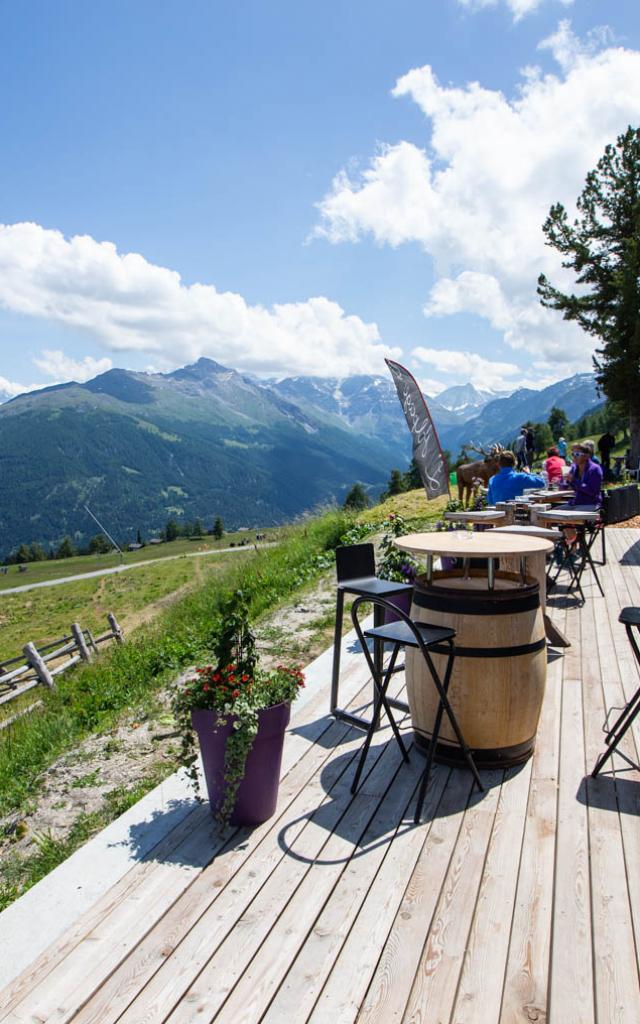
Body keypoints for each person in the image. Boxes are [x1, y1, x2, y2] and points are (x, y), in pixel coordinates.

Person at [564, 443, 603, 507]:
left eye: (577, 454)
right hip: (577, 503)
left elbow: (592, 491)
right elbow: (568, 487)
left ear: (586, 456)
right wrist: (566, 481)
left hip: (591, 504)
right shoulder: (574, 468)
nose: (574, 457)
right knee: (553, 512)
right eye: (573, 454)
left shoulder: (595, 469)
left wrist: (574, 481)